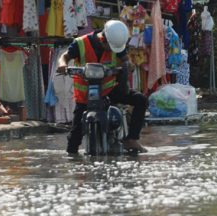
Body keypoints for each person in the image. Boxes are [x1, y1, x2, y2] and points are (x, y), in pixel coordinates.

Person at [58, 19, 149, 154]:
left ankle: (132, 139)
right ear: (103, 39)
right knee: (74, 139)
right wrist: (62, 64)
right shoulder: (81, 43)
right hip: (85, 96)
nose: (113, 51)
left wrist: (128, 64)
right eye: (110, 47)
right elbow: (64, 56)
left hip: (109, 90)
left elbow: (125, 58)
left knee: (141, 100)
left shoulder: (116, 43)